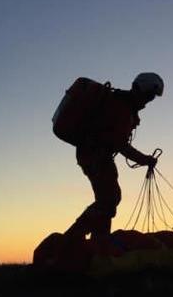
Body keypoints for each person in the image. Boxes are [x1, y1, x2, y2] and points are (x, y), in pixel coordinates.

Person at [64, 72, 164, 243]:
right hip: (96, 155)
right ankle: (71, 240)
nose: (148, 101)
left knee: (107, 199)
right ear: (139, 90)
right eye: (149, 96)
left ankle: (99, 243)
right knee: (109, 199)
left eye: (152, 98)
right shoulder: (122, 108)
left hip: (93, 154)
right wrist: (145, 159)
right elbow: (120, 144)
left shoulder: (121, 103)